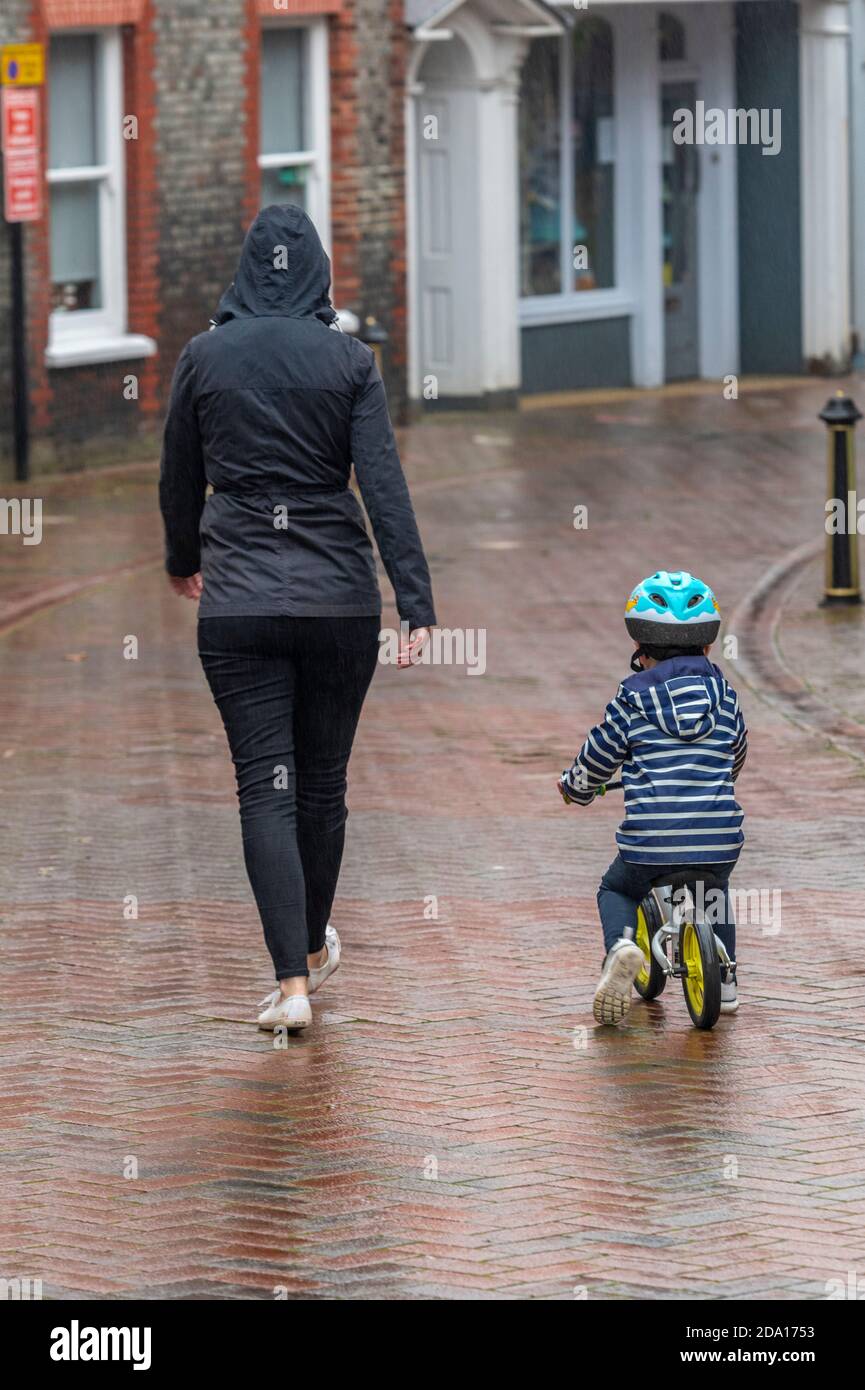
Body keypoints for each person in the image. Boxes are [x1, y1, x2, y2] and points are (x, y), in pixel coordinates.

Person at [159, 204, 436, 1033]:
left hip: (239, 603)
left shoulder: (203, 357)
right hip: (339, 605)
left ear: (243, 272)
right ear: (318, 273)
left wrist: (184, 561)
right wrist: (415, 603)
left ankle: (292, 984)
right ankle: (311, 945)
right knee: (321, 787)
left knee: (264, 789)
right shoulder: (349, 360)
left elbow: (178, 475)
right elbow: (382, 486)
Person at [558, 571, 747, 1025]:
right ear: (707, 648)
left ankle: (621, 947)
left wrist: (576, 787)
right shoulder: (724, 696)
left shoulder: (630, 700)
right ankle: (728, 982)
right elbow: (736, 750)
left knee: (617, 887)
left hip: (651, 844)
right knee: (713, 890)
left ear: (641, 653)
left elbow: (599, 756)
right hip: (719, 838)